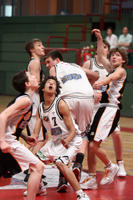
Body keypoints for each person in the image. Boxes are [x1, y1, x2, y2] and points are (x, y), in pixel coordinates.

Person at [44, 50, 98, 191]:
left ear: (57, 60)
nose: (47, 65)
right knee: (81, 134)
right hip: (87, 98)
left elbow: (53, 85)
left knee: (65, 137)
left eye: (48, 62)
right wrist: (90, 88)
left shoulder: (54, 68)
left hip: (68, 99)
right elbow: (96, 75)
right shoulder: (77, 66)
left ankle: (62, 178)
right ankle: (78, 163)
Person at [80, 29, 127, 189]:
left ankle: (111, 166)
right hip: (100, 109)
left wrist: (102, 82)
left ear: (123, 60)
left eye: (118, 55)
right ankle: (92, 177)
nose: (114, 57)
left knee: (94, 145)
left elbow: (112, 77)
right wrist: (99, 38)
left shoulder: (120, 71)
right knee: (91, 145)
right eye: (113, 55)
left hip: (111, 109)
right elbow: (100, 55)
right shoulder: (110, 67)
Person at [32, 76, 90, 200]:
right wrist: (32, 139)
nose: (51, 84)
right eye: (49, 82)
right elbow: (36, 132)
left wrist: (67, 140)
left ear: (56, 90)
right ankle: (40, 187)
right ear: (43, 88)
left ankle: (81, 194)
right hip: (55, 142)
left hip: (71, 141)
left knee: (60, 163)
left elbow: (73, 130)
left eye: (54, 83)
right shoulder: (40, 108)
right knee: (34, 161)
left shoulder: (60, 104)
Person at [0, 71, 46, 200]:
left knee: (4, 181)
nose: (35, 77)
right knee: (38, 166)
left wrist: (25, 137)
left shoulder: (25, 99)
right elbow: (2, 116)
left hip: (8, 138)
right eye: (31, 76)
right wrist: (2, 141)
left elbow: (10, 122)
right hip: (7, 140)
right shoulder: (25, 100)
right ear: (27, 84)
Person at [24, 38, 47, 182]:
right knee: (41, 139)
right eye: (39, 45)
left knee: (35, 139)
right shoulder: (36, 62)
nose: (43, 47)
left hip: (31, 104)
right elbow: (37, 85)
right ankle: (29, 168)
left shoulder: (33, 63)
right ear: (32, 50)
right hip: (34, 104)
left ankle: (29, 166)